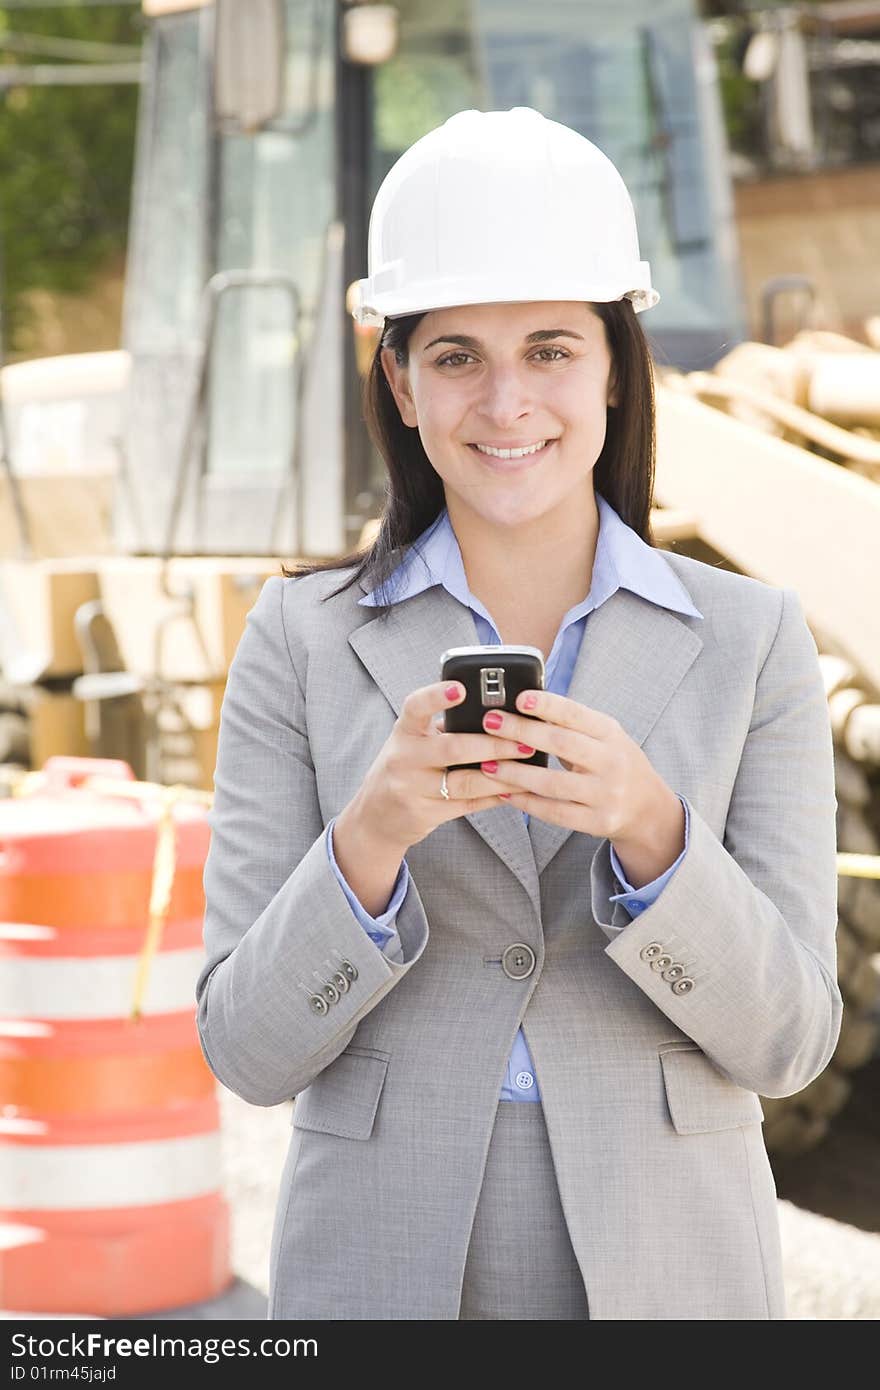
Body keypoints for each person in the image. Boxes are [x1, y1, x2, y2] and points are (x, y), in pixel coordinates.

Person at [196, 107, 841, 1321]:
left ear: (612, 366)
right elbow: (246, 1052)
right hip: (381, 1267)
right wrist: (371, 839)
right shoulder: (300, 639)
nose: (506, 403)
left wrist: (653, 833)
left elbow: (792, 1043)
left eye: (549, 349)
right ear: (398, 379)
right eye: (455, 357)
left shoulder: (754, 639)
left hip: (672, 1262)